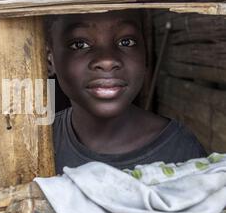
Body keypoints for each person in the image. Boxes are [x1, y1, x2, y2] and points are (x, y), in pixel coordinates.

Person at [46, 9, 206, 174]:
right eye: (80, 44)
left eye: (126, 42)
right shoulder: (38, 145)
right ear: (49, 60)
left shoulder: (180, 149)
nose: (107, 61)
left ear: (146, 53)